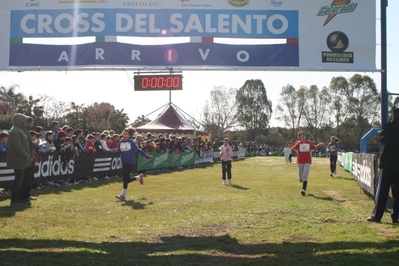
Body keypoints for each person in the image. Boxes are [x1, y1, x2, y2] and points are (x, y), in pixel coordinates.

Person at [367, 108, 399, 224]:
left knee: (382, 192)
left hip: (387, 163)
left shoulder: (389, 127)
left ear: (393, 116)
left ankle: (377, 216)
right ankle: (396, 216)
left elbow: (381, 138)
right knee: (398, 193)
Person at [115, 127, 152, 201]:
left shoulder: (132, 143)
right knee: (126, 179)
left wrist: (147, 156)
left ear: (129, 135)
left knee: (125, 179)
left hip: (130, 162)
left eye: (126, 134)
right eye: (123, 134)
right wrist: (116, 151)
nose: (124, 135)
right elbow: (119, 152)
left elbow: (138, 150)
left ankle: (123, 195)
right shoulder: (120, 142)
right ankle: (139, 177)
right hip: (124, 162)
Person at [6, 113, 35, 203]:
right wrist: (26, 155)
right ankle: (15, 197)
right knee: (19, 179)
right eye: (24, 120)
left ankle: (20, 196)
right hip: (18, 159)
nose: (26, 122)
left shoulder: (19, 130)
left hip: (20, 159)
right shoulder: (15, 131)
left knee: (21, 178)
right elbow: (17, 146)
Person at [291, 132, 325, 196]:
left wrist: (320, 144)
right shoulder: (297, 142)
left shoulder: (308, 142)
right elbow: (292, 149)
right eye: (301, 136)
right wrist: (297, 144)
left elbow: (314, 147)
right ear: (299, 137)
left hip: (307, 161)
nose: (303, 136)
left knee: (305, 175)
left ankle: (303, 190)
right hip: (300, 161)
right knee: (301, 176)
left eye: (304, 135)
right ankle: (300, 179)